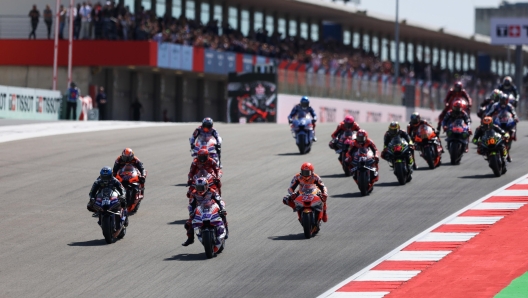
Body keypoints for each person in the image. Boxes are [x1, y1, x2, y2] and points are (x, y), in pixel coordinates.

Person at [182, 177, 227, 247]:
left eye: (201, 187)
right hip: (199, 209)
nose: (200, 189)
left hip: (212, 208)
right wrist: (191, 212)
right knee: (188, 224)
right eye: (198, 187)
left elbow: (220, 201)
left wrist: (222, 209)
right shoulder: (193, 193)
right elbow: (191, 204)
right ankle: (190, 239)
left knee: (223, 214)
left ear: (206, 186)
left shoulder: (212, 191)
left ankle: (226, 230)